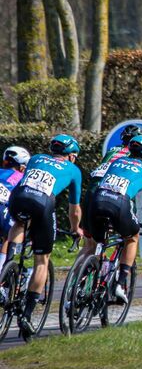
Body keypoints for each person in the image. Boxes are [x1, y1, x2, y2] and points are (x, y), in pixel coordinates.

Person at [7, 134, 82, 339]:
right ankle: (27, 315)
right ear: (71, 155)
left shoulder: (36, 158)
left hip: (18, 197)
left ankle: (8, 266)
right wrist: (76, 229)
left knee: (19, 223)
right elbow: (74, 209)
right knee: (42, 261)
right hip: (42, 204)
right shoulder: (74, 170)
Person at [88, 135, 142, 303]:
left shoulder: (116, 162)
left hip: (97, 199)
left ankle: (87, 283)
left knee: (100, 242)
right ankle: (120, 284)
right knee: (132, 238)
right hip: (119, 202)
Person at [80, 124, 142, 256]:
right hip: (114, 194)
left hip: (92, 194)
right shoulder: (134, 156)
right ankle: (116, 267)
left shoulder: (112, 150)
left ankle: (78, 275)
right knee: (129, 235)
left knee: (90, 245)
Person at [0, 146, 31, 272]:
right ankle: (2, 270)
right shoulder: (22, 177)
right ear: (23, 167)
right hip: (2, 210)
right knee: (8, 236)